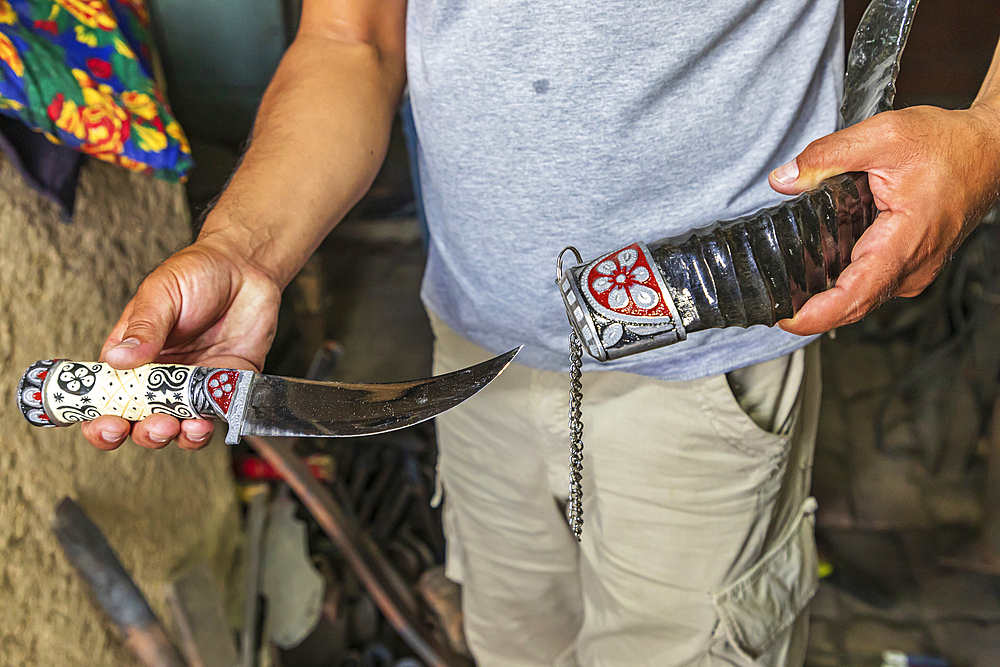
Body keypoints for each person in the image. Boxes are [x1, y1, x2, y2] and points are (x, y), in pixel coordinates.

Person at [80, 1, 1000, 664]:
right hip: (476, 351)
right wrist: (244, 248)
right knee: (512, 644)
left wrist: (985, 141)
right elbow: (350, 39)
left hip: (713, 364)